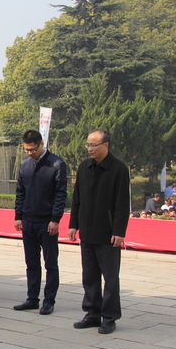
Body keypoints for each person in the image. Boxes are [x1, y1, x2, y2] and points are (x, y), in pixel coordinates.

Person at [69, 129, 130, 335]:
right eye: (88, 145)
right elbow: (77, 199)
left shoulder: (118, 169)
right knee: (90, 276)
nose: (90, 149)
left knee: (110, 279)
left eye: (93, 145)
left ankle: (109, 317)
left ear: (106, 145)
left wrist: (119, 231)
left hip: (108, 234)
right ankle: (92, 313)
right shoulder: (84, 167)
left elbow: (122, 204)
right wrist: (73, 224)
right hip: (87, 232)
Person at [13, 130, 67, 315]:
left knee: (50, 263)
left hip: (46, 223)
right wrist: (18, 215)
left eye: (33, 149)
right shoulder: (24, 164)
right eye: (27, 150)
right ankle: (32, 298)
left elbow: (60, 194)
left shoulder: (56, 164)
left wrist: (55, 219)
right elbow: (20, 191)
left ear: (42, 144)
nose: (30, 153)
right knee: (31, 263)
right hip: (28, 221)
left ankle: (49, 300)